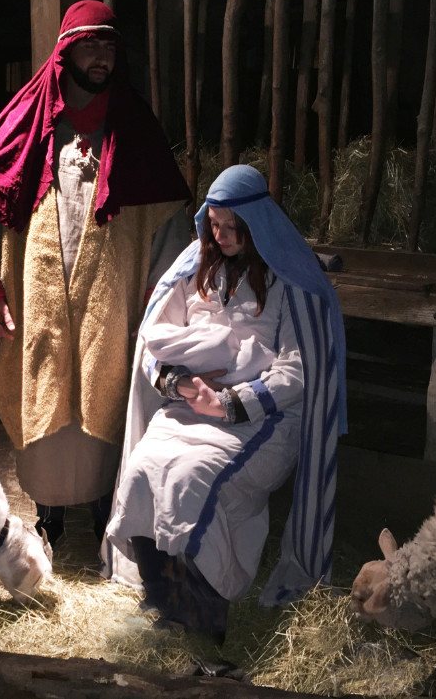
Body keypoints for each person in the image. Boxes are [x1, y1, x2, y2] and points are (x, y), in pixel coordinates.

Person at [0, 0, 191, 547]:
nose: (101, 56)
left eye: (108, 45)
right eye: (89, 45)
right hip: (38, 303)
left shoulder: (135, 132)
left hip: (111, 304)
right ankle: (49, 514)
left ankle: (107, 506)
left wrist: (154, 303)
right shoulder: (27, 127)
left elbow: (167, 224)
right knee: (43, 392)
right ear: (66, 52)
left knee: (107, 393)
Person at [102, 164, 347, 642]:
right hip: (189, 407)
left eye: (233, 227)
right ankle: (162, 597)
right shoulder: (194, 267)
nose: (222, 236)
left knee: (194, 479)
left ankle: (203, 611)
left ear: (257, 225)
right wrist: (178, 384)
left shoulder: (287, 277)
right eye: (214, 225)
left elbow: (298, 369)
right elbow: (153, 341)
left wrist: (231, 402)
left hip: (261, 417)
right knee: (143, 469)